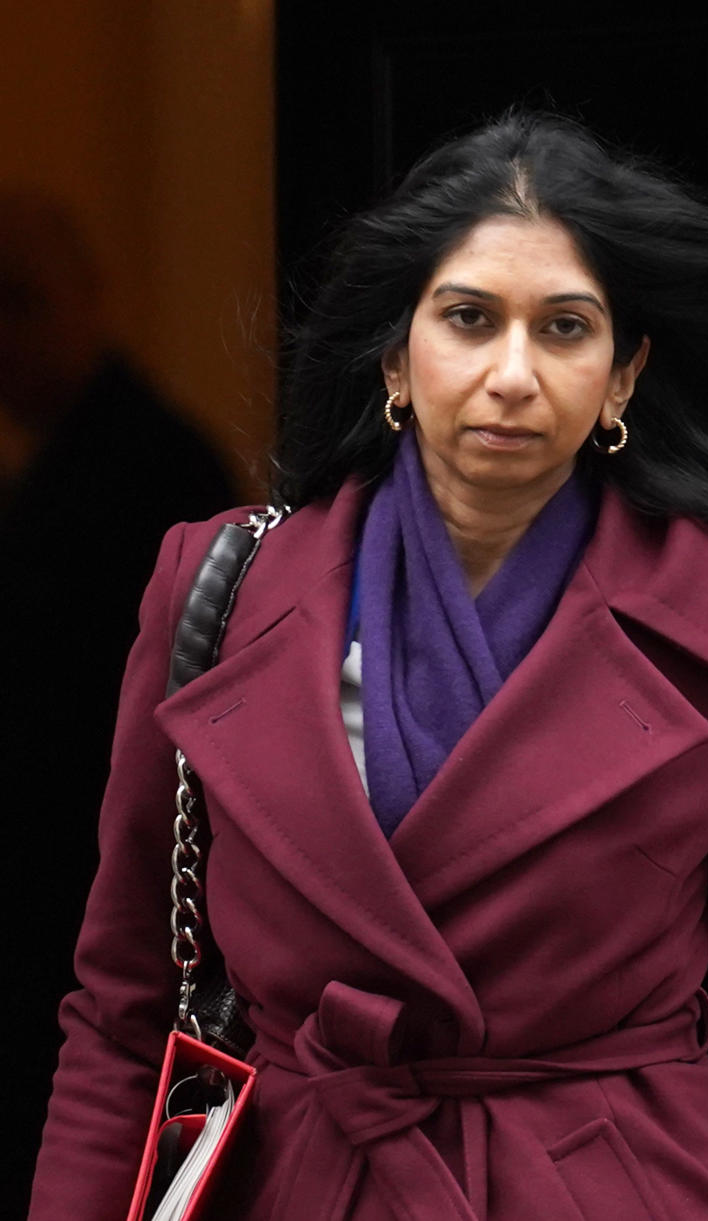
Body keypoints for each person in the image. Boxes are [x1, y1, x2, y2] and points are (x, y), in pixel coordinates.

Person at [27, 112, 708, 1220]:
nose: (513, 373)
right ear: (397, 357)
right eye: (469, 319)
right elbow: (123, 1013)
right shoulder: (217, 588)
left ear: (622, 378)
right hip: (313, 1185)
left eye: (565, 328)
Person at [0, 189, 237, 1218]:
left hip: (124, 898)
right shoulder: (59, 468)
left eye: (19, 302)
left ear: (89, 300)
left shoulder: (152, 471)